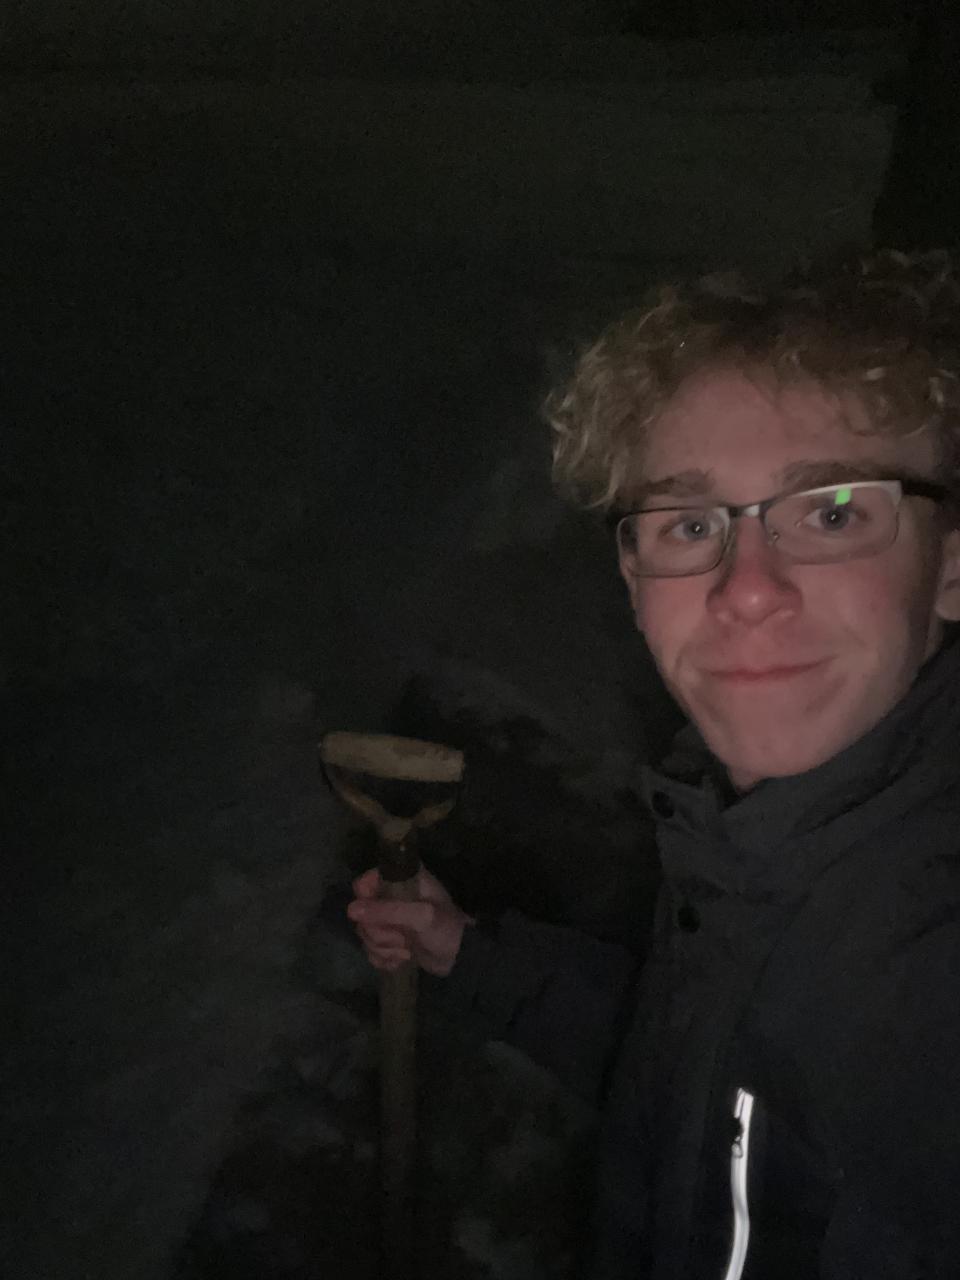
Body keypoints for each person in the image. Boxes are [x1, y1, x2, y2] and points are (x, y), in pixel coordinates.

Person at [347, 249, 960, 1278]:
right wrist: (477, 958)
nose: (747, 589)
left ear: (950, 562)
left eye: (833, 511)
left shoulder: (924, 995)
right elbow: (697, 1081)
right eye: (690, 523)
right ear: (635, 578)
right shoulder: (750, 832)